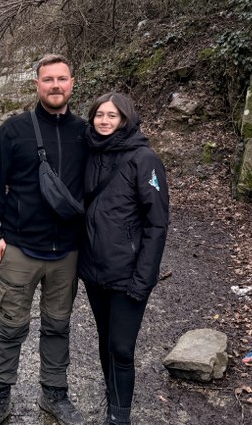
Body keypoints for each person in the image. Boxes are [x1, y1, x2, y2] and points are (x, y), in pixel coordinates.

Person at [0, 54, 88, 425]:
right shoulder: (14, 129)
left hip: (67, 251)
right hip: (21, 248)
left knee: (58, 325)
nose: (55, 85)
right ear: (37, 84)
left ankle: (54, 394)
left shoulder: (84, 133)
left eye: (62, 78)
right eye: (48, 79)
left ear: (72, 82)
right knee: (10, 325)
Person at [79, 92, 169, 425]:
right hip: (93, 270)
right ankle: (112, 394)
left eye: (112, 116)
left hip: (127, 273)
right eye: (99, 115)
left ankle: (120, 417)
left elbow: (157, 224)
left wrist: (144, 279)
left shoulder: (144, 160)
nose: (104, 121)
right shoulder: (89, 151)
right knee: (105, 339)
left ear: (125, 120)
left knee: (121, 347)